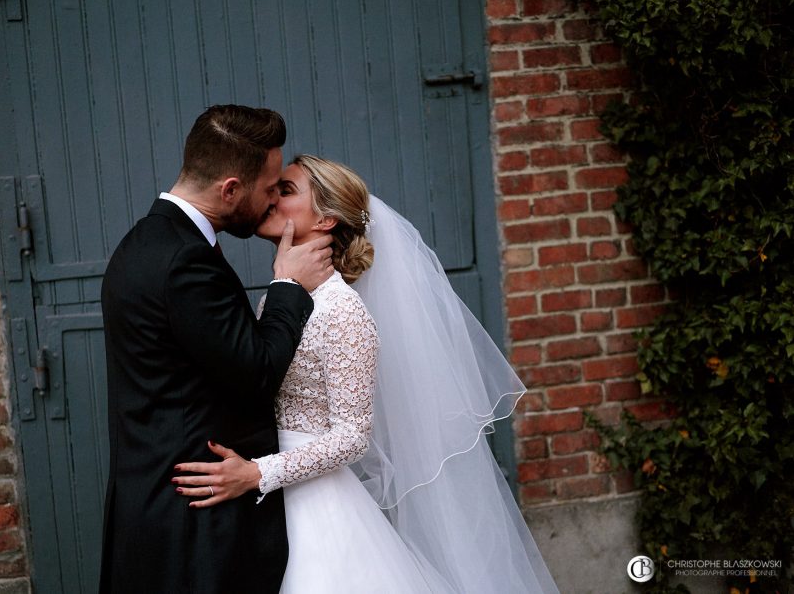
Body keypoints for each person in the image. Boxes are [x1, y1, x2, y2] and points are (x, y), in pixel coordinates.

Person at [174, 155, 560, 593]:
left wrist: (258, 473)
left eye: (286, 191)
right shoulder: (279, 297)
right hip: (270, 500)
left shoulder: (343, 313)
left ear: (325, 221)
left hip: (314, 510)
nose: (270, 199)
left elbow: (353, 436)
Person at [99, 106, 335, 594]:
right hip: (195, 522)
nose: (273, 200)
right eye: (270, 188)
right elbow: (257, 372)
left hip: (158, 501)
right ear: (230, 189)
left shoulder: (143, 242)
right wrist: (289, 285)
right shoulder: (185, 261)